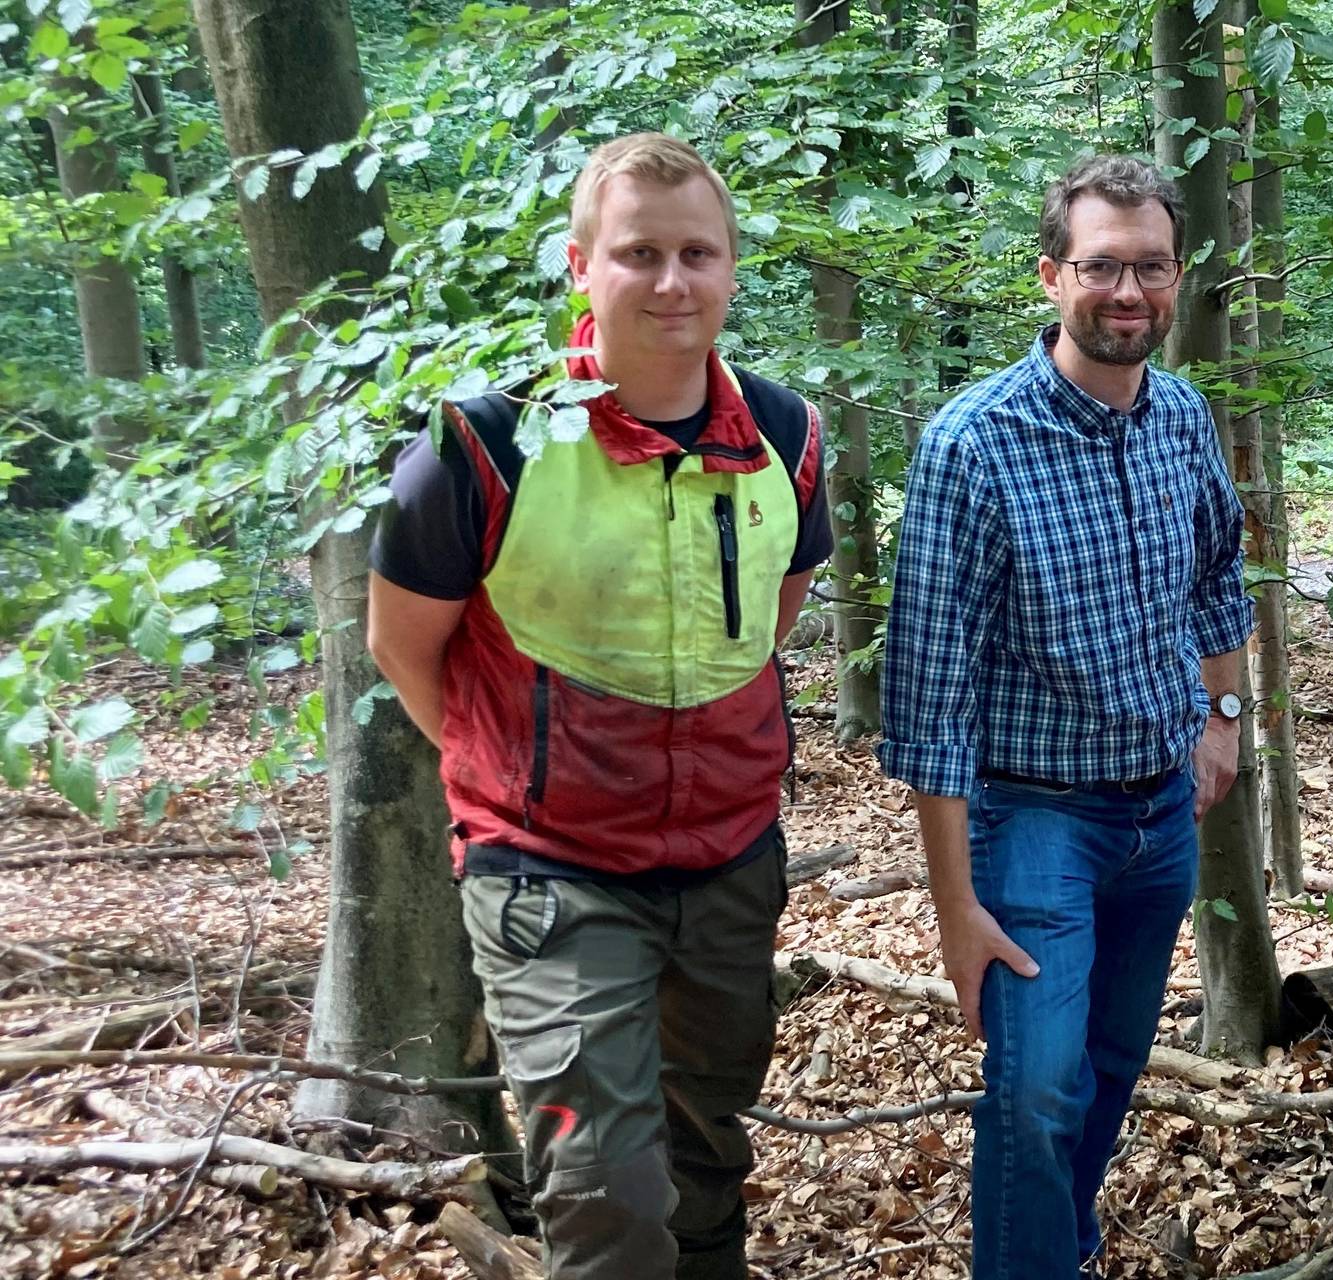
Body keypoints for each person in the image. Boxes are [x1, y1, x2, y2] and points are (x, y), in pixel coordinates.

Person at [365, 131, 830, 1280]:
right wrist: (512, 773)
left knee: (706, 1156)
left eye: (695, 253)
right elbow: (402, 645)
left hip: (728, 862)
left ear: (730, 268)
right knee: (604, 1188)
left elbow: (767, 623)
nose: (670, 282)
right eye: (637, 253)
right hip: (549, 873)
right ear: (581, 266)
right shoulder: (485, 444)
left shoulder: (785, 436)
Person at [877, 153, 1254, 1280]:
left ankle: (1058, 1249)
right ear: (1051, 275)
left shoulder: (1183, 417)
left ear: (1177, 277)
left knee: (1108, 1068)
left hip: (1159, 815)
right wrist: (955, 906)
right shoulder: (974, 444)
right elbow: (929, 696)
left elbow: (1217, 579)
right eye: (1101, 267)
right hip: (1032, 818)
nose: (1127, 291)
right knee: (1035, 1087)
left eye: (1150, 267)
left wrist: (1223, 717)